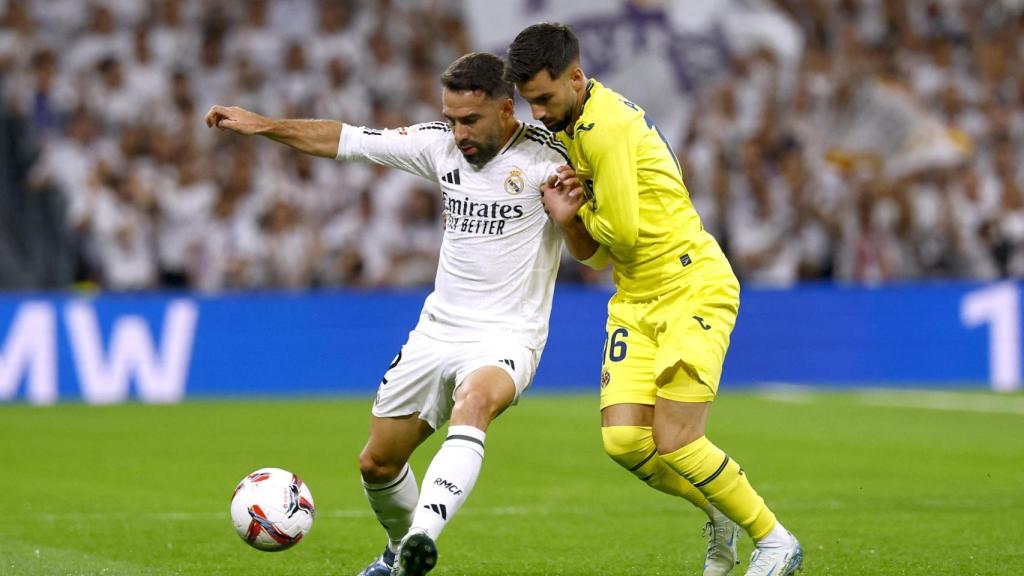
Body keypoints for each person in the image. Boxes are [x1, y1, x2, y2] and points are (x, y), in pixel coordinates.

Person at [206, 52, 569, 576]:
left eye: (470, 120)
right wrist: (266, 126)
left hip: (508, 336)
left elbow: (585, 246)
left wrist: (572, 221)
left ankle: (423, 534)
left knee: (476, 403)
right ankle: (400, 554)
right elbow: (345, 139)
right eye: (450, 118)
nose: (458, 132)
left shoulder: (546, 161)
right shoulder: (439, 145)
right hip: (438, 330)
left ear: (507, 108)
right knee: (377, 464)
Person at [505, 23, 803, 576]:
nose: (539, 112)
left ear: (576, 76)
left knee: (676, 439)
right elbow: (596, 255)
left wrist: (581, 215)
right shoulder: (571, 126)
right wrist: (569, 222)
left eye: (544, 98)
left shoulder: (605, 128)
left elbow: (618, 233)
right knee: (624, 441)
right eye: (530, 102)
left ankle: (774, 540)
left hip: (691, 285)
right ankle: (721, 512)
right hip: (637, 296)